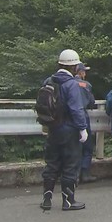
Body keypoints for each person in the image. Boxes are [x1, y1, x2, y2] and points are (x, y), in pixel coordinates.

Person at [40, 49, 89, 211]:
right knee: (70, 164)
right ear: (74, 66)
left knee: (52, 163)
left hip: (52, 128)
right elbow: (76, 109)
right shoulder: (71, 84)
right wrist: (82, 129)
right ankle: (68, 201)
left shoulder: (48, 81)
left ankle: (47, 199)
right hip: (68, 131)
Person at [75, 63, 98, 184]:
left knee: (73, 146)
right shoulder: (86, 85)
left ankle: (74, 175)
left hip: (69, 117)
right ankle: (85, 173)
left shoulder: (68, 83)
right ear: (81, 72)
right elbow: (91, 102)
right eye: (84, 71)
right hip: (83, 116)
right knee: (87, 146)